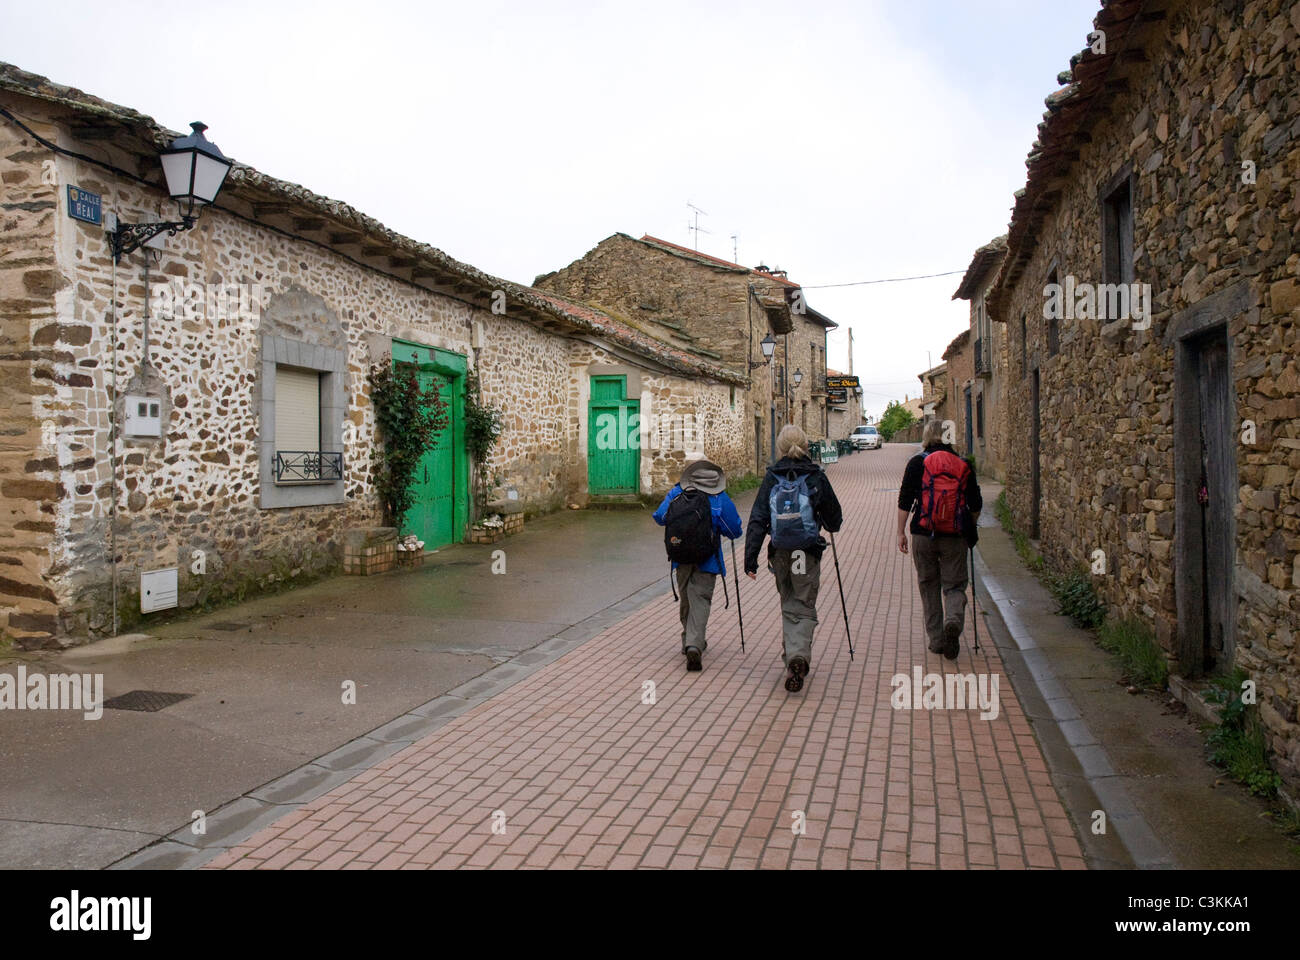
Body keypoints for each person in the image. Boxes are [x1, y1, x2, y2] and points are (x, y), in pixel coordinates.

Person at [743, 424, 843, 693]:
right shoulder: (815, 476)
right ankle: (797, 655)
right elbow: (835, 519)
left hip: (781, 553)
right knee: (803, 603)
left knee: (788, 601)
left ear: (780, 448)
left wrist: (750, 559)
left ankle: (792, 656)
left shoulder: (772, 477)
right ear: (806, 445)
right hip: (806, 552)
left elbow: (758, 519)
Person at [896, 418, 983, 660]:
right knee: (954, 585)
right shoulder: (963, 464)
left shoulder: (917, 463)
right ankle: (953, 620)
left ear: (927, 436)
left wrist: (900, 532)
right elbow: (976, 504)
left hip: (923, 534)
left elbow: (904, 501)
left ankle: (936, 640)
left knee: (928, 585)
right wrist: (970, 525)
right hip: (955, 536)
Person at [653, 458, 744, 672]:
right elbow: (735, 530)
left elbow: (659, 517)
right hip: (708, 559)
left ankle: (690, 638)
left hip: (681, 557)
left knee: (686, 599)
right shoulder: (719, 497)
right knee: (700, 600)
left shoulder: (677, 493)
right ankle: (694, 643)